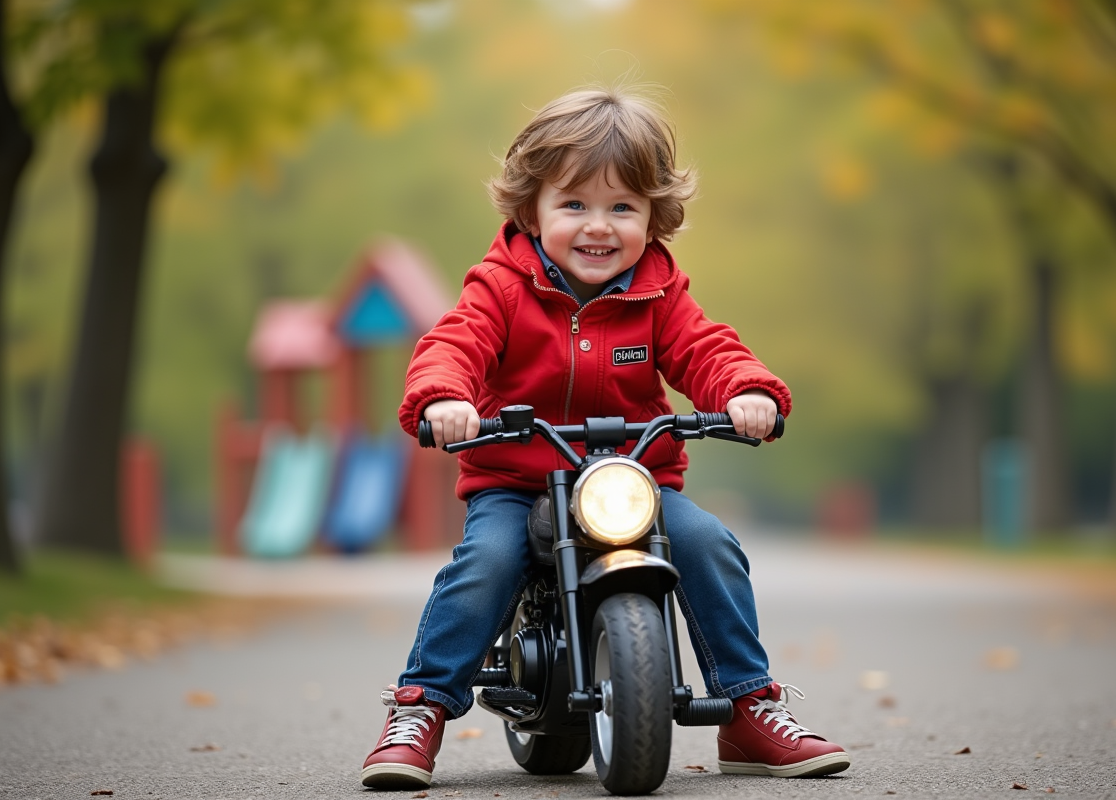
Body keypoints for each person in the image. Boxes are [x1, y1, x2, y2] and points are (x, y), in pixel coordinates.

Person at [360, 85, 850, 790]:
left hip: (632, 481)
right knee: (487, 561)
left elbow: (705, 349)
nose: (599, 226)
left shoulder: (660, 294)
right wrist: (446, 399)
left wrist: (745, 393)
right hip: (518, 480)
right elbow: (454, 345)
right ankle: (421, 709)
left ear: (656, 218)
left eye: (623, 207)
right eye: (574, 205)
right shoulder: (499, 288)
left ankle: (748, 705)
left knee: (709, 541)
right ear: (531, 211)